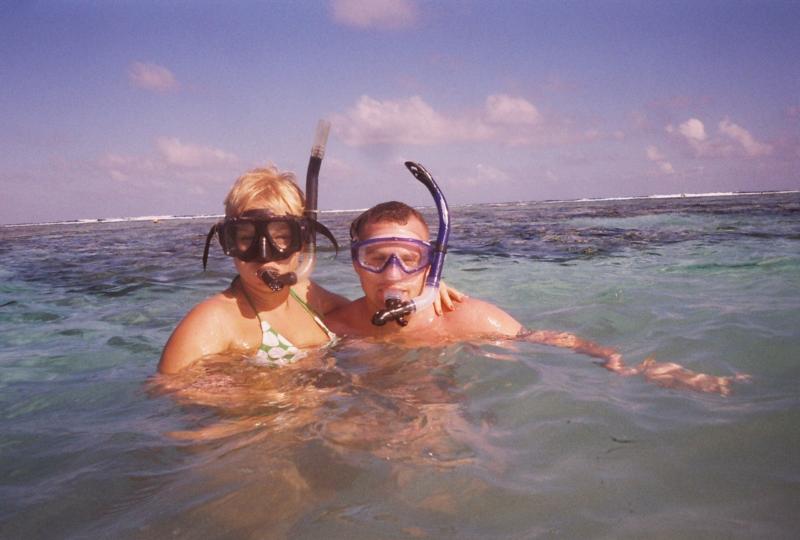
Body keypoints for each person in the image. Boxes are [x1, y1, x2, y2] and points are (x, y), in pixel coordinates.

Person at [325, 201, 749, 396]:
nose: (393, 274)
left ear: (431, 266)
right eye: (376, 259)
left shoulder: (467, 319)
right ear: (355, 264)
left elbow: (541, 338)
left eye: (409, 259)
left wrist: (629, 364)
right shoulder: (336, 327)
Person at [158, 167, 462, 375]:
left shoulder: (307, 296)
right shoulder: (213, 321)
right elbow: (171, 409)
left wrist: (426, 285)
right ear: (228, 242)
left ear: (303, 241)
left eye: (281, 239)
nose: (265, 257)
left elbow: (371, 314)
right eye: (248, 239)